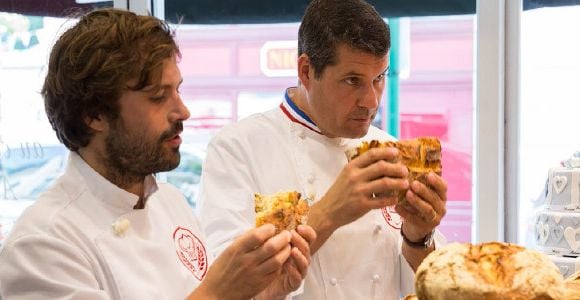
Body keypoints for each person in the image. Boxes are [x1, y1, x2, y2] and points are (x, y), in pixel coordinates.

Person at [0, 8, 316, 300]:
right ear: (94, 115)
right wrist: (219, 292)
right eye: (158, 97)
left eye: (177, 90)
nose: (183, 111)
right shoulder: (43, 246)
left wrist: (261, 294)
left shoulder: (170, 201)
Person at [197, 0, 448, 299]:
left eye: (379, 78)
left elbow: (430, 287)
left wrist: (419, 236)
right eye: (352, 80)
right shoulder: (237, 149)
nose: (371, 101)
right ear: (306, 70)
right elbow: (225, 287)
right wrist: (331, 211)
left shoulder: (389, 150)